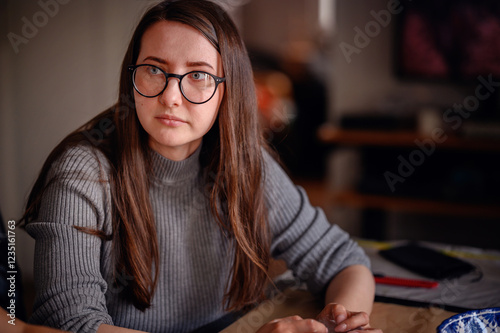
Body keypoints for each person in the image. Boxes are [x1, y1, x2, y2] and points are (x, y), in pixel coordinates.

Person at [21, 1, 381, 332]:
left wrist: (340, 321)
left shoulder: (245, 163)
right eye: (153, 70)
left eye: (198, 75)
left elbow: (344, 259)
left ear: (227, 90)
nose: (171, 96)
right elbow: (68, 324)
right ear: (132, 79)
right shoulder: (82, 174)